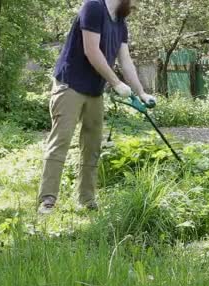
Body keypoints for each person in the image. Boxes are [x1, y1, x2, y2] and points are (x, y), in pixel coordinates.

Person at [38, 0, 154, 214]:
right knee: (61, 140)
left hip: (94, 91)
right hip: (70, 84)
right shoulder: (93, 7)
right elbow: (92, 51)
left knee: (92, 146)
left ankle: (87, 199)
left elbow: (126, 61)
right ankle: (47, 199)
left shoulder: (120, 23)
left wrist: (141, 92)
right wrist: (116, 83)